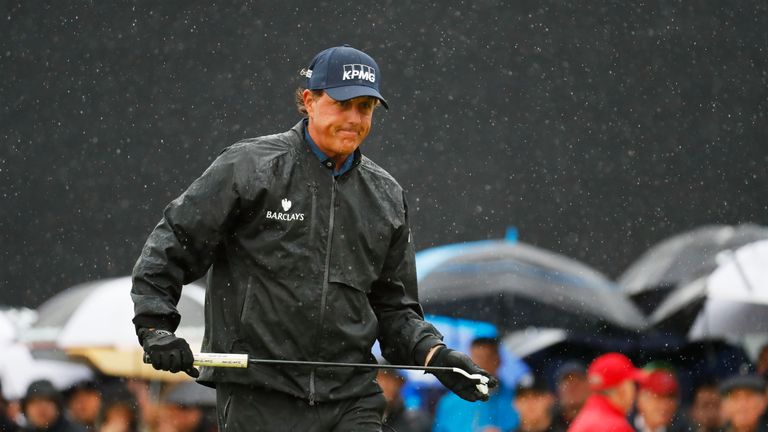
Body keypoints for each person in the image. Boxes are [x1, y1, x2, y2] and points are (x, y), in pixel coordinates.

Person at [130, 44, 496, 431]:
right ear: (309, 100)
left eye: (365, 108)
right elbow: (172, 244)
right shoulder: (250, 168)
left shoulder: (386, 195)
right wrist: (155, 327)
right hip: (258, 394)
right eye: (343, 104)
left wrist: (435, 355)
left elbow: (395, 308)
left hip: (351, 399)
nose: (355, 119)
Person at [432, 338, 519, 432]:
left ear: (498, 361)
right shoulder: (448, 403)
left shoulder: (517, 400)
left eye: (488, 358)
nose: (481, 365)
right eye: (477, 359)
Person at [567, 353, 647, 432]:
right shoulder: (616, 426)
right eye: (632, 383)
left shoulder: (583, 419)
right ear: (623, 389)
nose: (635, 391)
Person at [552, 361, 589, 427]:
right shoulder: (548, 423)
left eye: (577, 383)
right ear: (558, 391)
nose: (573, 387)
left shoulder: (603, 418)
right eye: (568, 383)